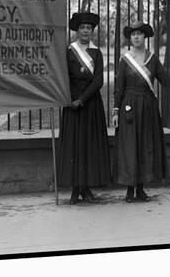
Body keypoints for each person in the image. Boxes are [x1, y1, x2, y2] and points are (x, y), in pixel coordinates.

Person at [58, 12, 111, 204]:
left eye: (88, 28)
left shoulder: (97, 53)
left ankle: (86, 188)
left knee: (88, 146)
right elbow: (64, 77)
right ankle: (75, 189)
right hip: (72, 104)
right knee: (74, 146)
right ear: (77, 31)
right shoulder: (69, 51)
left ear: (92, 31)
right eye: (82, 28)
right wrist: (70, 99)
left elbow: (98, 80)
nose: (85, 31)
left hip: (90, 104)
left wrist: (82, 99)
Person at [112, 21, 168, 203]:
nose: (136, 37)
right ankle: (129, 189)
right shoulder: (125, 60)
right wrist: (115, 110)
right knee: (129, 147)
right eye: (133, 34)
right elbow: (119, 87)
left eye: (139, 34)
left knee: (145, 146)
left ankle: (141, 189)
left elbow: (165, 79)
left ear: (145, 37)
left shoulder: (152, 59)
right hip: (129, 106)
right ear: (130, 38)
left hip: (148, 107)